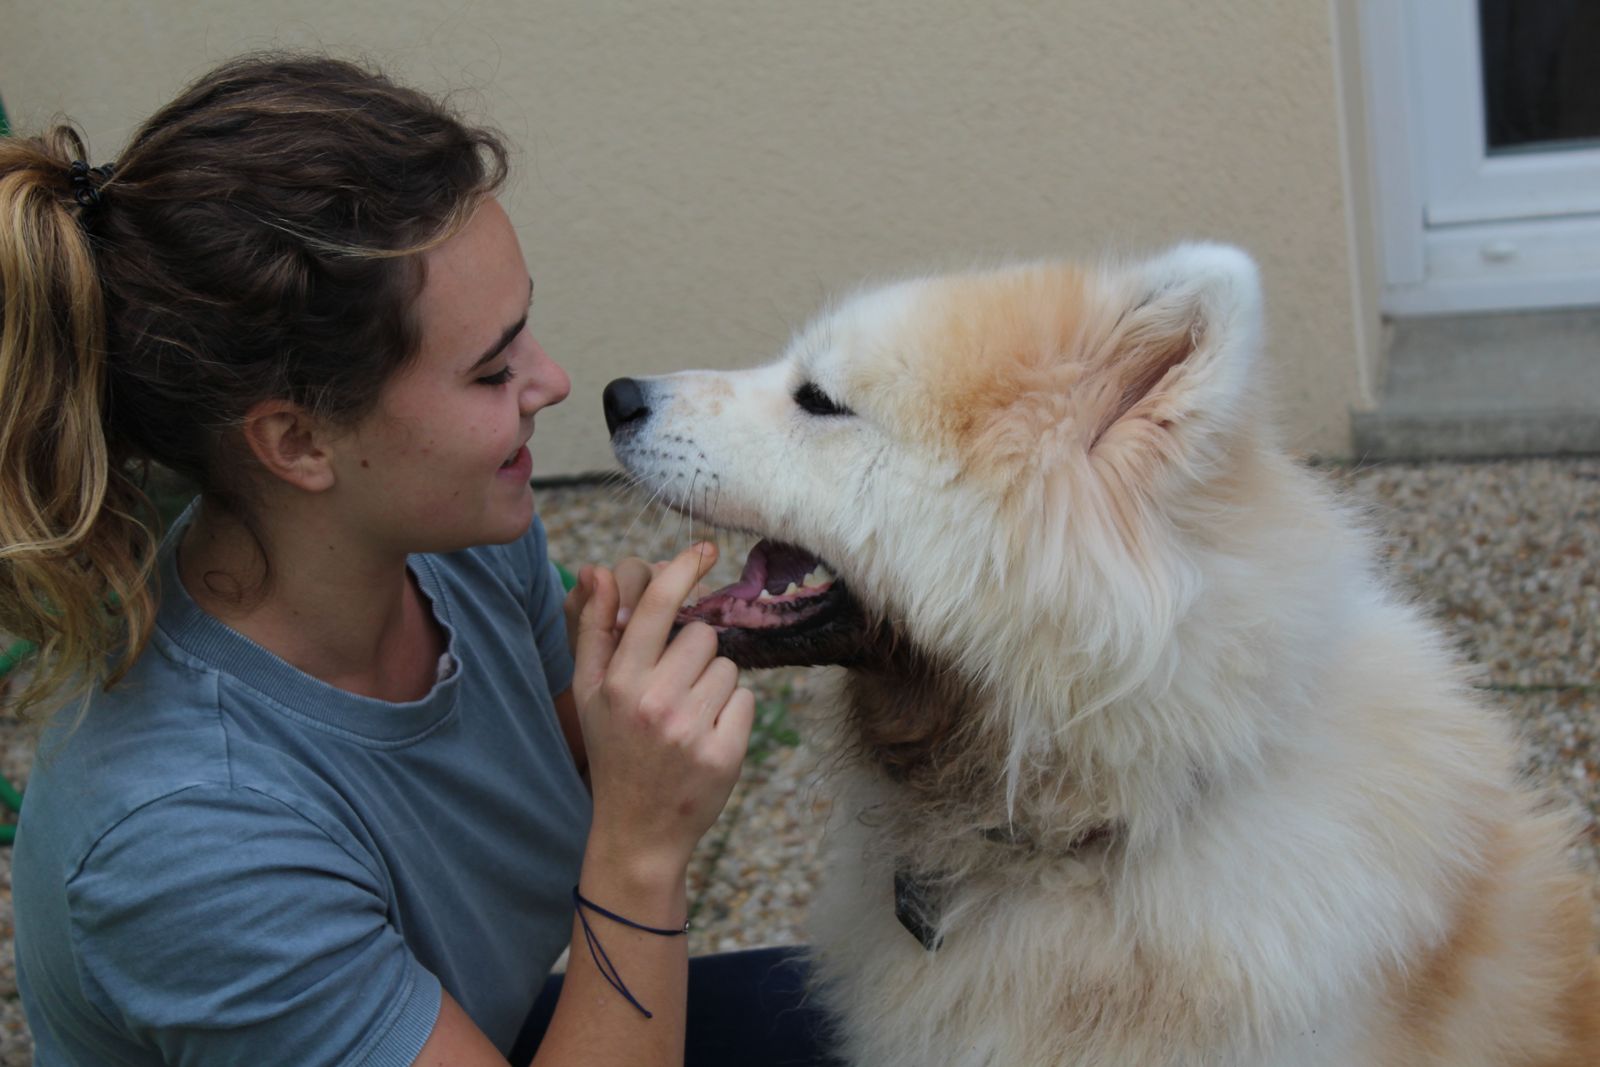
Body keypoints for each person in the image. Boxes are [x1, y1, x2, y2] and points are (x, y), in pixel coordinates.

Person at [0, 53, 834, 1065]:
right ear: (298, 443)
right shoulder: (188, 838)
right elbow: (617, 841)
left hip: (474, 1028)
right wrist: (643, 844)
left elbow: (540, 785)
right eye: (491, 370)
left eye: (523, 332)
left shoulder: (452, 538)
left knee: (867, 1014)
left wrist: (620, 720)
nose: (555, 380)